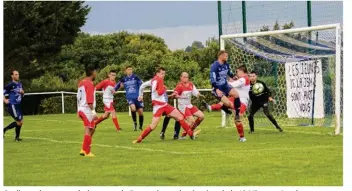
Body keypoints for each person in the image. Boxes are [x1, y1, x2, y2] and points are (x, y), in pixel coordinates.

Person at [133, 67, 200, 143]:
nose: (163, 75)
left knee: (180, 117)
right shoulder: (156, 80)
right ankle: (140, 138)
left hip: (165, 105)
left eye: (164, 73)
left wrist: (140, 95)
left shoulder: (154, 81)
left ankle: (191, 135)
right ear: (157, 73)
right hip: (158, 107)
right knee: (153, 125)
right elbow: (157, 91)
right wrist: (158, 89)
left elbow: (142, 86)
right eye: (162, 73)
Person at [209, 51, 245, 142]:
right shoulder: (215, 66)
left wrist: (234, 77)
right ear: (220, 56)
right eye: (226, 55)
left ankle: (236, 114)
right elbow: (212, 78)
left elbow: (230, 73)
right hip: (218, 88)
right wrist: (216, 89)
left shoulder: (226, 64)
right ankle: (225, 109)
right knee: (228, 104)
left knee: (236, 95)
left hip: (225, 86)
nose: (227, 57)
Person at [172, 72, 205, 139]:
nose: (185, 78)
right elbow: (175, 94)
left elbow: (196, 92)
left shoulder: (190, 84)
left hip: (189, 105)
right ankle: (189, 134)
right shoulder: (179, 86)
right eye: (184, 77)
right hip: (183, 106)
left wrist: (199, 95)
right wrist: (175, 95)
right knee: (192, 121)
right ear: (180, 78)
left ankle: (186, 133)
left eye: (187, 77)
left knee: (201, 116)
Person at [115, 66, 144, 131]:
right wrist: (113, 90)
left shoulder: (136, 77)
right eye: (128, 69)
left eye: (131, 69)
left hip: (138, 97)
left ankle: (141, 126)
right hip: (130, 97)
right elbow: (117, 86)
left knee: (141, 112)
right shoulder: (123, 79)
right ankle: (135, 123)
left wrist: (141, 95)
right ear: (126, 71)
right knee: (133, 109)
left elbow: (141, 86)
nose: (130, 71)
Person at [78, 66, 98, 157]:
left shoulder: (81, 82)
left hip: (82, 109)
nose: (96, 74)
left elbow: (78, 97)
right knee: (89, 129)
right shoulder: (89, 84)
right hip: (86, 110)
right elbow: (89, 101)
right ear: (92, 73)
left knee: (92, 128)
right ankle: (87, 151)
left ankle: (83, 149)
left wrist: (78, 110)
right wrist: (93, 112)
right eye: (95, 72)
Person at [3, 70, 25, 142]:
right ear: (12, 76)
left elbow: (22, 93)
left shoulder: (20, 84)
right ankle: (4, 130)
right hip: (13, 105)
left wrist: (22, 92)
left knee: (20, 122)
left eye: (18, 74)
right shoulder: (10, 85)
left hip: (18, 105)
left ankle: (17, 138)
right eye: (15, 74)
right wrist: (5, 100)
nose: (17, 76)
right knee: (19, 122)